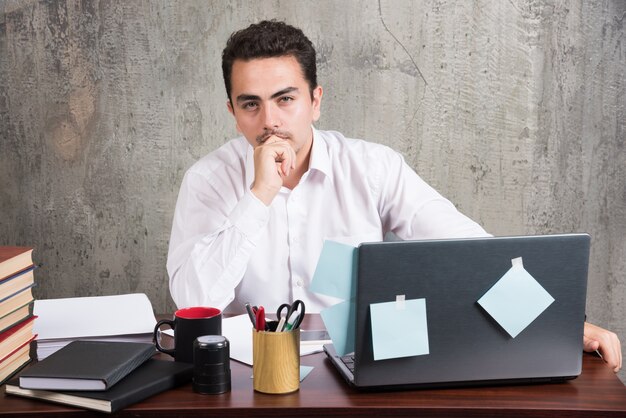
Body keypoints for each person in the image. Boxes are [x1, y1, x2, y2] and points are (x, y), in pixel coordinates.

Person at [167, 20, 621, 372]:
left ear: (316, 100)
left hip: (356, 368)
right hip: (247, 376)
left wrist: (558, 324)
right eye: (251, 104)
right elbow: (192, 302)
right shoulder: (208, 181)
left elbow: (469, 248)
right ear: (232, 112)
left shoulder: (373, 167)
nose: (270, 120)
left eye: (285, 99)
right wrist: (260, 194)